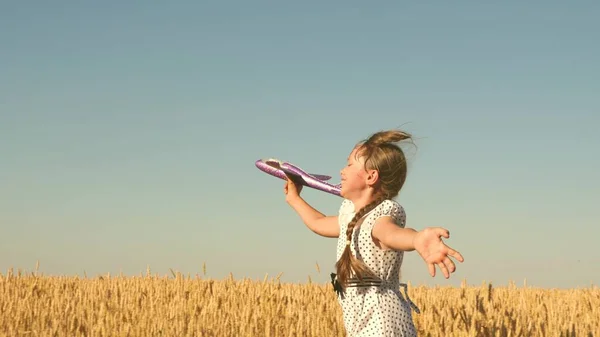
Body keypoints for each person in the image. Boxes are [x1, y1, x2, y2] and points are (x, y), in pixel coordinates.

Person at [283, 129, 464, 337]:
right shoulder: (350, 216)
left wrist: (416, 239)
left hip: (383, 324)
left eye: (349, 164)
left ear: (371, 176)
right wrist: (294, 199)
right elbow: (319, 223)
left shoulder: (381, 217)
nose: (342, 170)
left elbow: (392, 234)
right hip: (364, 324)